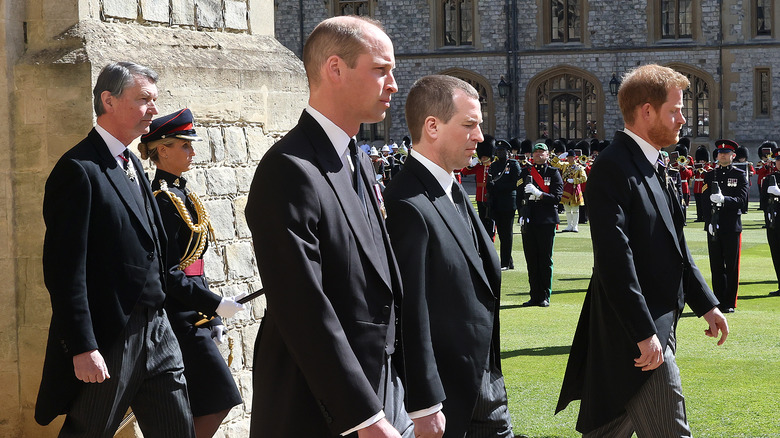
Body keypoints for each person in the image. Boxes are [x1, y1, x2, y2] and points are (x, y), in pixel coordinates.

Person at [244, 16, 413, 437]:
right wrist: (364, 415)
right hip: (322, 407)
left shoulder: (356, 158)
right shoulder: (289, 168)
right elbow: (301, 305)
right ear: (334, 69)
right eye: (380, 69)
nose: (393, 84)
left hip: (381, 389)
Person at [556, 64, 729, 436]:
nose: (683, 119)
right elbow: (614, 258)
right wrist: (642, 331)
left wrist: (706, 304)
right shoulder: (612, 167)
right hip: (636, 333)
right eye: (675, 110)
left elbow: (674, 243)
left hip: (656, 327)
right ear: (646, 111)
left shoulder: (654, 164)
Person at [35, 62, 201, 437]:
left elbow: (156, 253)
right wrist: (82, 346)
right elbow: (65, 271)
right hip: (112, 337)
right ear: (108, 101)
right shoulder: (78, 169)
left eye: (154, 100)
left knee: (177, 429)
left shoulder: (131, 164)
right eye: (144, 100)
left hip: (157, 331)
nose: (154, 110)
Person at [384, 74, 513, 438]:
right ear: (432, 127)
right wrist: (424, 403)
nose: (479, 136)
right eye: (469, 125)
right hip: (450, 400)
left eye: (479, 126)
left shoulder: (450, 188)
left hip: (484, 385)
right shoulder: (408, 202)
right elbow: (410, 310)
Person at [138, 108, 244, 438]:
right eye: (184, 145)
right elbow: (170, 274)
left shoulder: (183, 194)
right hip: (178, 317)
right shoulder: (163, 199)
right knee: (218, 399)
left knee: (204, 404)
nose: (192, 152)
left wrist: (214, 320)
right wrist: (213, 305)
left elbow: (195, 263)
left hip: (196, 316)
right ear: (162, 150)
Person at [702, 139, 749, 313]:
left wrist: (724, 200)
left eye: (726, 153)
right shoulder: (710, 175)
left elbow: (742, 202)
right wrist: (708, 223)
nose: (722, 155)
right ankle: (718, 300)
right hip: (714, 226)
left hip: (731, 227)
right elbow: (705, 204)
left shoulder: (739, 175)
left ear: (733, 156)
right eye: (720, 153)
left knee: (731, 266)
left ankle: (729, 302)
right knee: (715, 265)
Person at [517, 143, 563, 307]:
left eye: (541, 152)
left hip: (546, 220)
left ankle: (545, 295)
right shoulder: (525, 172)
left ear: (547, 155)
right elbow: (519, 196)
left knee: (544, 259)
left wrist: (539, 194)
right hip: (529, 220)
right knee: (531, 259)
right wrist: (521, 214)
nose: (538, 155)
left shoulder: (553, 172)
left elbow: (557, 197)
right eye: (536, 152)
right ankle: (534, 295)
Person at [487, 140, 521, 270]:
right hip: (496, 202)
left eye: (502, 151)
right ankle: (509, 261)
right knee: (501, 233)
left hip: (508, 202)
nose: (500, 153)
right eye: (498, 151)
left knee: (507, 233)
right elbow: (490, 181)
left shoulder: (513, 164)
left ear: (508, 152)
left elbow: (516, 183)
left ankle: (505, 262)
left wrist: (499, 186)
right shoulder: (494, 165)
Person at [460, 135, 496, 238]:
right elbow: (465, 171)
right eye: (482, 156)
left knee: (491, 220)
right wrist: (471, 164)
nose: (483, 158)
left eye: (485, 156)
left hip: (490, 197)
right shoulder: (479, 167)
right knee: (482, 219)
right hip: (480, 197)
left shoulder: (493, 166)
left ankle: (491, 237)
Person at [551, 149, 587, 232]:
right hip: (566, 188)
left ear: (574, 158)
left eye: (571, 157)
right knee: (567, 209)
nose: (569, 159)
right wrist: (558, 157)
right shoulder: (565, 165)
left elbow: (584, 178)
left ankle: (575, 226)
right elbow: (553, 164)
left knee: (575, 210)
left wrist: (574, 180)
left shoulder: (579, 167)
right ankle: (569, 225)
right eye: (568, 157)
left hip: (574, 189)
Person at [761, 149, 780, 297]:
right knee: (776, 254)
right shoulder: (769, 179)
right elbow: (763, 202)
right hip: (774, 223)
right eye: (778, 160)